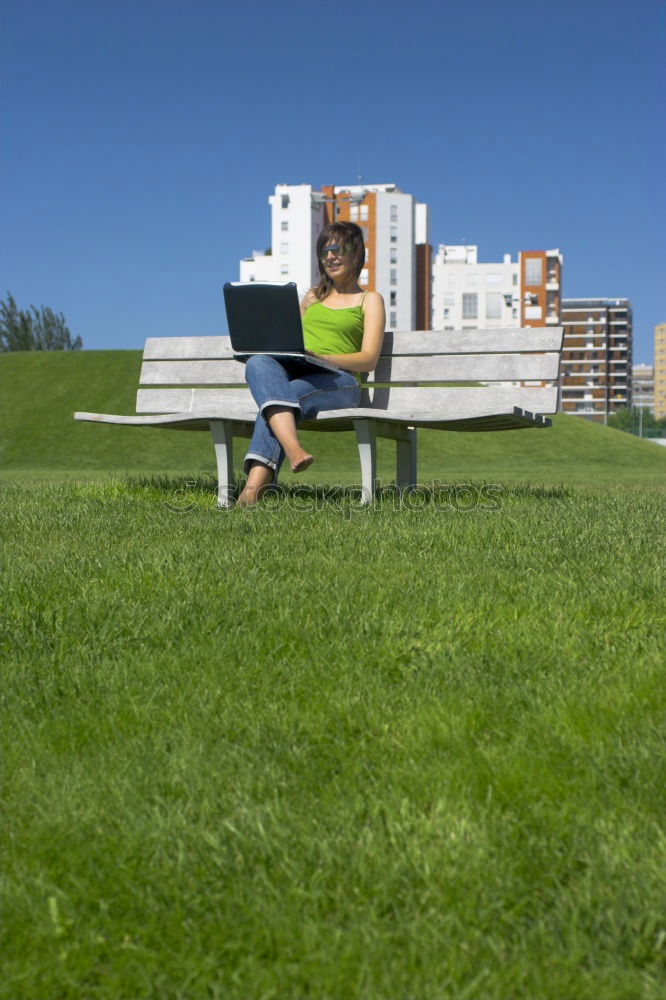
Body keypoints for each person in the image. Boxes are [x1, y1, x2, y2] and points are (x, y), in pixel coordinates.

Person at [237, 221, 385, 505]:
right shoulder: (311, 298)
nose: (329, 256)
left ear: (356, 255)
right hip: (300, 372)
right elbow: (289, 338)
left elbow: (368, 359)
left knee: (277, 401)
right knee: (258, 363)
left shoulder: (369, 300)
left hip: (341, 382)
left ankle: (251, 490)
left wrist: (324, 358)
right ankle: (289, 454)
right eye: (324, 251)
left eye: (337, 249)